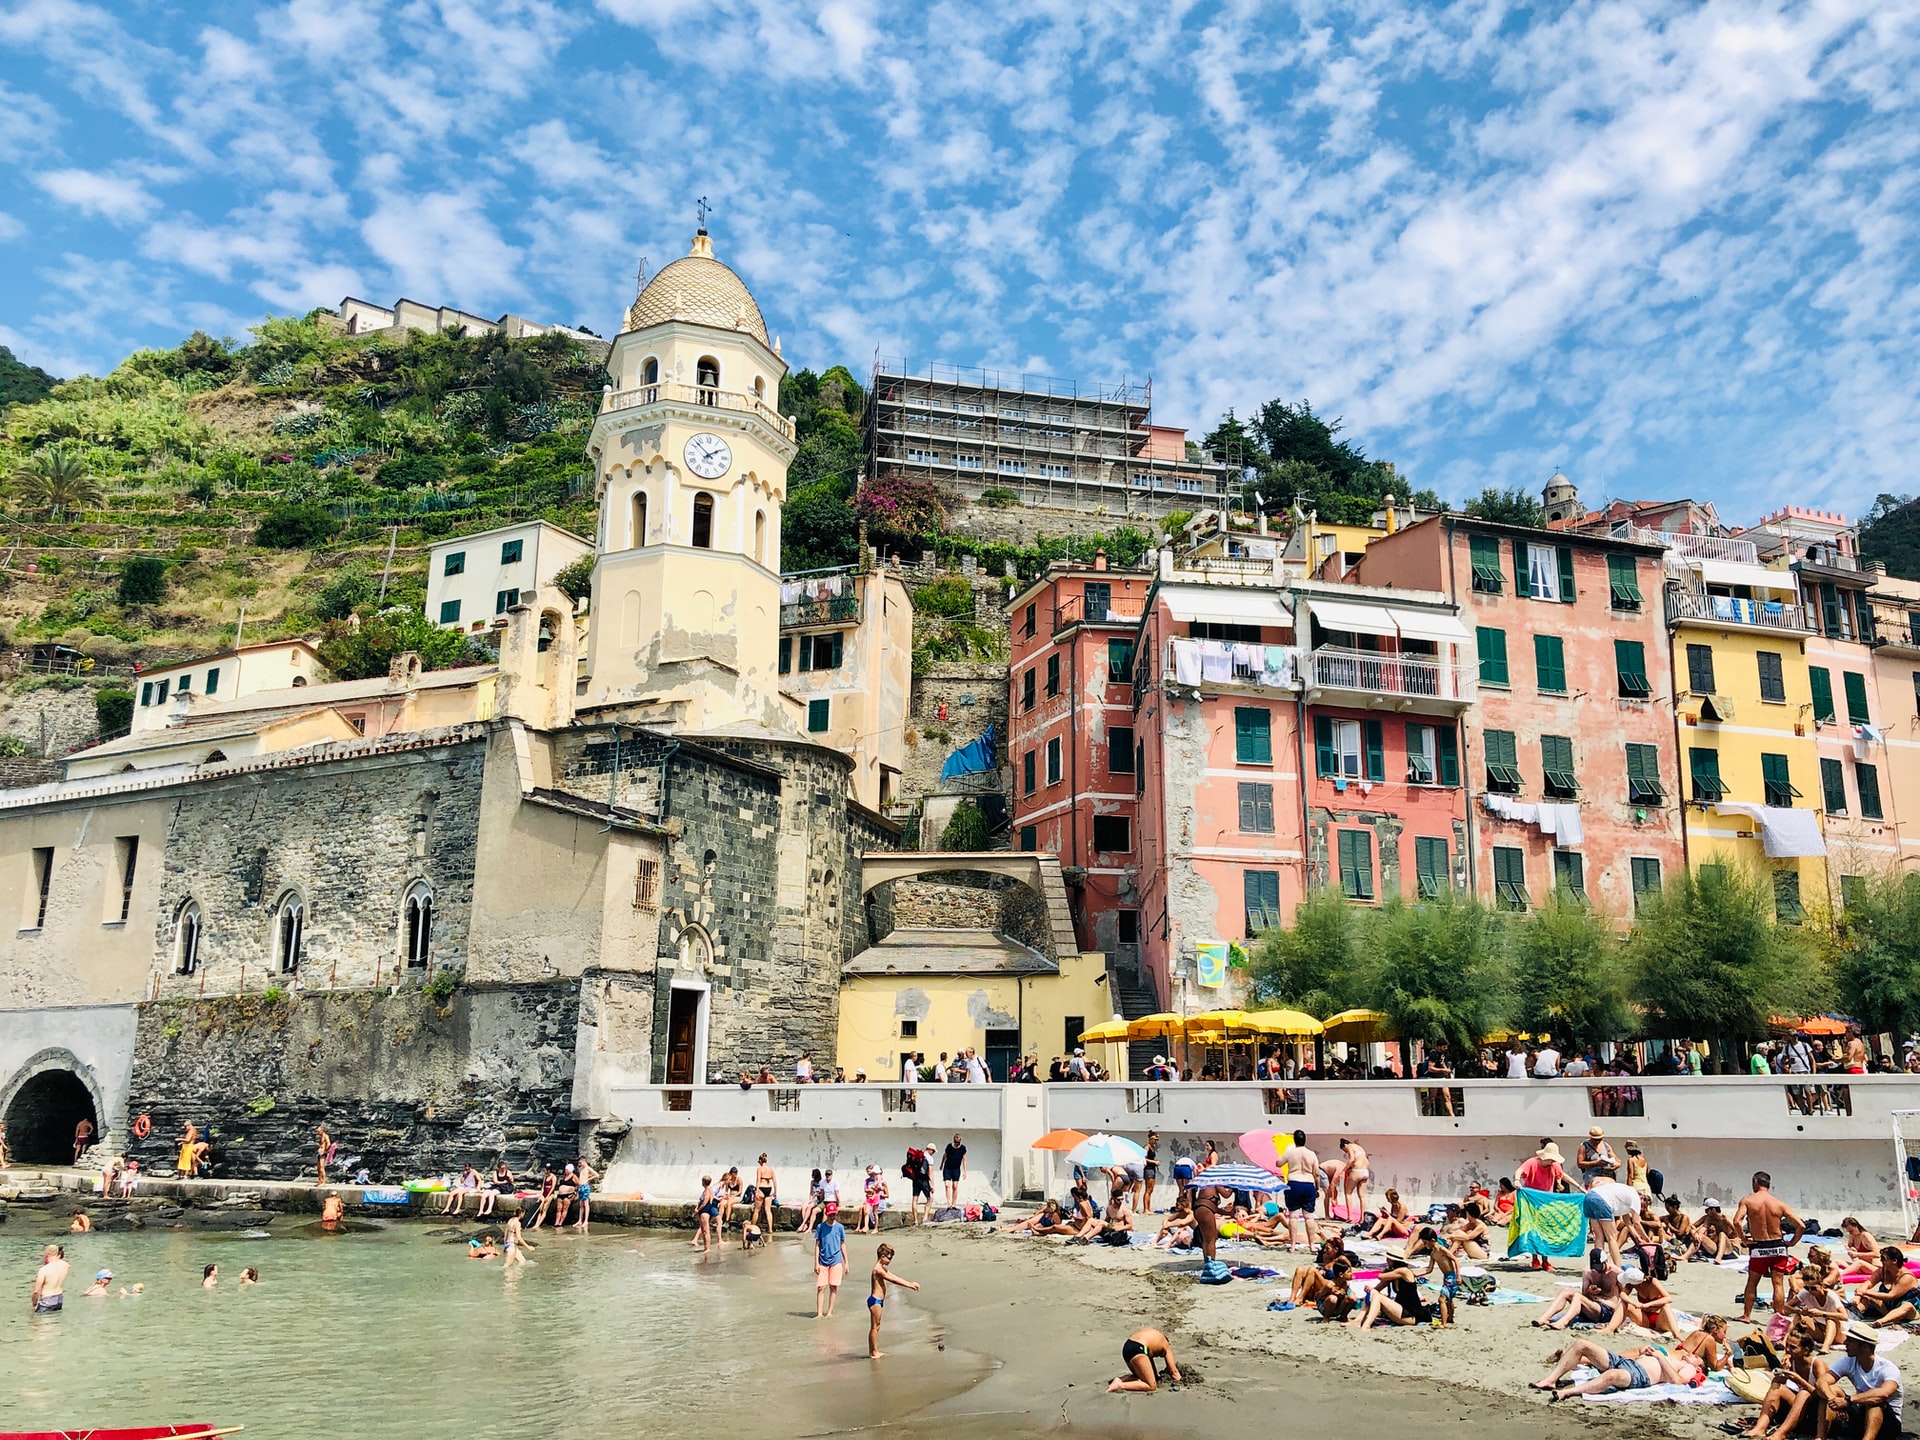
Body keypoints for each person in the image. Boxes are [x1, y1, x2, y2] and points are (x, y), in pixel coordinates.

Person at [1737, 1171, 1807, 1323]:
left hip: (1759, 1245)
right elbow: (1801, 1225)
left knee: (1752, 1281)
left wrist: (1744, 1239)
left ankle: (1747, 1315)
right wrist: (1793, 1242)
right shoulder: (1779, 1203)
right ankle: (1779, 1316)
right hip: (1778, 1246)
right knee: (1778, 1283)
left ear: (1755, 1182)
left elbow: (1737, 1221)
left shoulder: (1748, 1201)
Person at [1815, 1322, 1903, 1440]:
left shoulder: (1887, 1368)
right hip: (1861, 1415)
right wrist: (1833, 1400)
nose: (1845, 1343)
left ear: (1865, 1347)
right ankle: (1820, 1437)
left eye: (1850, 1341)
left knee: (1875, 1402)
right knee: (1831, 1390)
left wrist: (1848, 1400)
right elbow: (1822, 1382)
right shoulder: (1848, 1361)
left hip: (1889, 1423)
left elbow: (1883, 1394)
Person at [1739, 1326, 1820, 1440]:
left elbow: (1823, 1395)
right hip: (1799, 1406)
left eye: (1793, 1347)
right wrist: (1783, 1372)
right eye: (1787, 1345)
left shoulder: (1817, 1365)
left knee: (1804, 1393)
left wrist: (1798, 1379)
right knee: (1777, 1387)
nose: (1788, 1350)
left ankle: (1780, 1434)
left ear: (1805, 1350)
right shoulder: (1792, 1360)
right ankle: (1760, 1428)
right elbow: (1776, 1384)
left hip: (1816, 1411)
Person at [1537, 1249, 1624, 1332]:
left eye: (1599, 1266)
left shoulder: (1616, 1273)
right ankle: (1544, 1318)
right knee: (1566, 1291)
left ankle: (1563, 1322)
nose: (1597, 1269)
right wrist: (1590, 1292)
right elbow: (1584, 1294)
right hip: (1591, 1304)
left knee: (1578, 1297)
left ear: (1605, 1261)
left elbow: (1624, 1294)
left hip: (1607, 1309)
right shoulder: (1588, 1271)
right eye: (1595, 1267)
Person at [866, 1242, 920, 1358]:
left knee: (877, 1326)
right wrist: (910, 1286)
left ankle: (874, 1350)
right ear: (882, 1256)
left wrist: (910, 1283)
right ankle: (873, 1352)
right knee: (875, 1326)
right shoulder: (878, 1270)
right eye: (889, 1257)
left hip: (878, 1301)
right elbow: (893, 1281)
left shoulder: (882, 1268)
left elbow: (895, 1277)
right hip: (875, 1301)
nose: (890, 1260)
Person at [1852, 1246, 1920, 1327]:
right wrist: (1859, 1296)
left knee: (1907, 1306)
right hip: (1887, 1308)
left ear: (1894, 1261)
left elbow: (1891, 1296)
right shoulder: (1882, 1272)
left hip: (1908, 1312)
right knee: (1866, 1296)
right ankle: (1854, 1315)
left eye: (1884, 1258)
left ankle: (1880, 1322)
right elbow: (1868, 1283)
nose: (1881, 1261)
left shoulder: (1906, 1277)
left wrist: (1864, 1291)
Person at [1108, 1328, 1182, 1393]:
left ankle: (1121, 1380)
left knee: (1143, 1377)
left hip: (1128, 1346)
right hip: (1139, 1348)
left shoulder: (1153, 1335)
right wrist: (1180, 1382)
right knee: (1151, 1386)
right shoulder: (1166, 1345)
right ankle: (1120, 1385)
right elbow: (1174, 1372)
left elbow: (1152, 1372)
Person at [814, 1205, 847, 1318]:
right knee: (821, 1287)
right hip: (822, 1261)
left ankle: (829, 1312)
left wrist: (846, 1262)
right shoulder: (820, 1227)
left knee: (833, 1286)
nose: (832, 1216)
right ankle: (819, 1313)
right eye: (830, 1214)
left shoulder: (840, 1228)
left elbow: (842, 1244)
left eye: (834, 1214)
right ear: (826, 1214)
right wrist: (816, 1263)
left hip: (836, 1260)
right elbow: (817, 1245)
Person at [1334, 1138, 1370, 1220]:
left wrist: (1344, 1170)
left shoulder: (1350, 1146)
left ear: (1345, 1145)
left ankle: (1350, 1217)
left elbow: (1352, 1159)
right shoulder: (1360, 1147)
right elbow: (1367, 1161)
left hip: (1357, 1171)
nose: (1346, 1152)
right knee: (1362, 1196)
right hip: (1365, 1172)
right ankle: (1362, 1218)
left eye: (1345, 1150)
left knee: (1348, 1193)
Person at [30, 1244, 68, 1313]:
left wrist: (34, 1304)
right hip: (59, 1299)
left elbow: (36, 1292)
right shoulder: (65, 1265)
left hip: (47, 1301)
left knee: (41, 1322)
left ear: (47, 1254)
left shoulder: (44, 1270)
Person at [750, 1153, 776, 1237]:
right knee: (768, 1210)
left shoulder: (759, 1169)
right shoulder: (771, 1169)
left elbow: (758, 1180)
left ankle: (752, 1227)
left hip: (761, 1187)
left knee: (756, 1210)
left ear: (760, 1161)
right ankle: (770, 1229)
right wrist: (775, 1191)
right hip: (769, 1188)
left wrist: (756, 1191)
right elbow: (775, 1181)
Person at [693, 1175, 718, 1255]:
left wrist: (698, 1210)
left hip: (705, 1211)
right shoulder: (709, 1189)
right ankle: (706, 1247)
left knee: (705, 1230)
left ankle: (707, 1248)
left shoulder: (707, 1190)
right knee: (704, 1230)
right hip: (704, 1211)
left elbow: (705, 1202)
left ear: (703, 1182)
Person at [941, 1133, 967, 1206]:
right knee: (947, 1185)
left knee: (955, 1186)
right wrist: (941, 1164)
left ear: (960, 1141)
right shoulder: (949, 1146)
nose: (957, 1144)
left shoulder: (962, 1148)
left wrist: (965, 1171)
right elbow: (945, 1155)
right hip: (947, 1168)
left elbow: (964, 1159)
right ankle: (949, 1203)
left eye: (958, 1142)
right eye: (956, 1142)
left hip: (956, 1169)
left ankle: (954, 1203)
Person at [571, 1156, 596, 1232]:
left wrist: (588, 1179)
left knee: (586, 1204)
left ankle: (586, 1221)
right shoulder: (581, 1169)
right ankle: (580, 1220)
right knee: (581, 1204)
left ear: (584, 1161)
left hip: (585, 1187)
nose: (579, 1164)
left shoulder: (588, 1168)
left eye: (581, 1162)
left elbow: (596, 1174)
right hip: (581, 1187)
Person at [1141, 1130, 1160, 1214]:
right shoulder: (1147, 1147)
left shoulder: (1153, 1147)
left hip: (1152, 1169)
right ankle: (1145, 1208)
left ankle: (1148, 1207)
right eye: (1155, 1139)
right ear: (1150, 1139)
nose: (1156, 1141)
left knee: (1151, 1189)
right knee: (1148, 1189)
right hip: (1148, 1169)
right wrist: (1154, 1162)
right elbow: (1144, 1158)